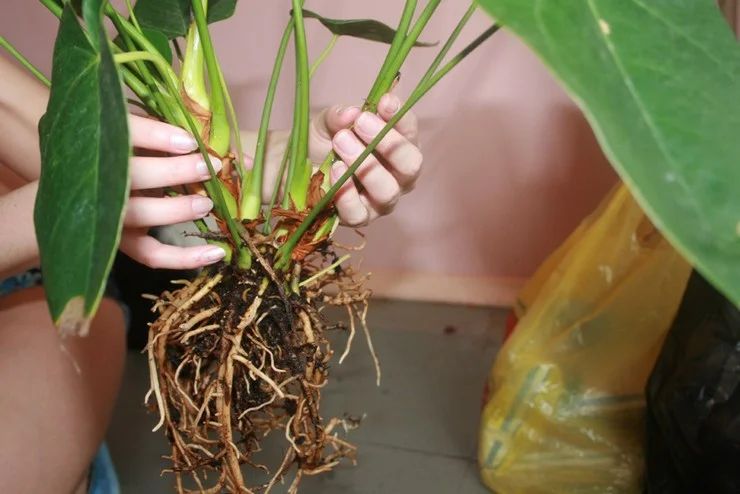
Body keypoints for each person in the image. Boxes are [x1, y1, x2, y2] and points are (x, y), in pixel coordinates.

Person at [0, 53, 422, 493]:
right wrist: (58, 208)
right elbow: (68, 183)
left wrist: (282, 155)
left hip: (34, 282)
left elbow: (36, 126)